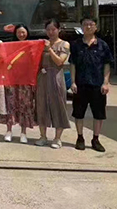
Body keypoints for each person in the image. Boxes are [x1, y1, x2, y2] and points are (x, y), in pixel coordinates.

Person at [70, 16, 112, 152]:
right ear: (81, 27)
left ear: (96, 27)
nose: (88, 27)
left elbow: (107, 65)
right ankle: (80, 137)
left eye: (91, 24)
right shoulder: (76, 45)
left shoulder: (102, 45)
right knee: (78, 113)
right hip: (80, 84)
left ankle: (96, 139)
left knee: (99, 114)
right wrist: (73, 82)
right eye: (85, 24)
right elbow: (73, 64)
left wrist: (105, 83)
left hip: (97, 84)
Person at [35, 19, 71, 149]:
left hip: (56, 77)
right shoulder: (42, 43)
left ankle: (57, 138)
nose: (51, 32)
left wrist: (49, 49)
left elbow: (60, 61)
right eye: (48, 29)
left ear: (59, 30)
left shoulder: (64, 44)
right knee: (41, 105)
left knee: (58, 105)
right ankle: (43, 136)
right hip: (42, 78)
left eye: (53, 29)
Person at [0, 24, 36, 144]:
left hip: (25, 81)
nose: (21, 34)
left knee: (25, 105)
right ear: (15, 33)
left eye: (23, 32)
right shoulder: (10, 46)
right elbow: (4, 61)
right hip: (12, 80)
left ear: (27, 33)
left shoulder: (31, 46)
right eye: (19, 32)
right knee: (10, 104)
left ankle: (23, 133)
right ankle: (9, 131)